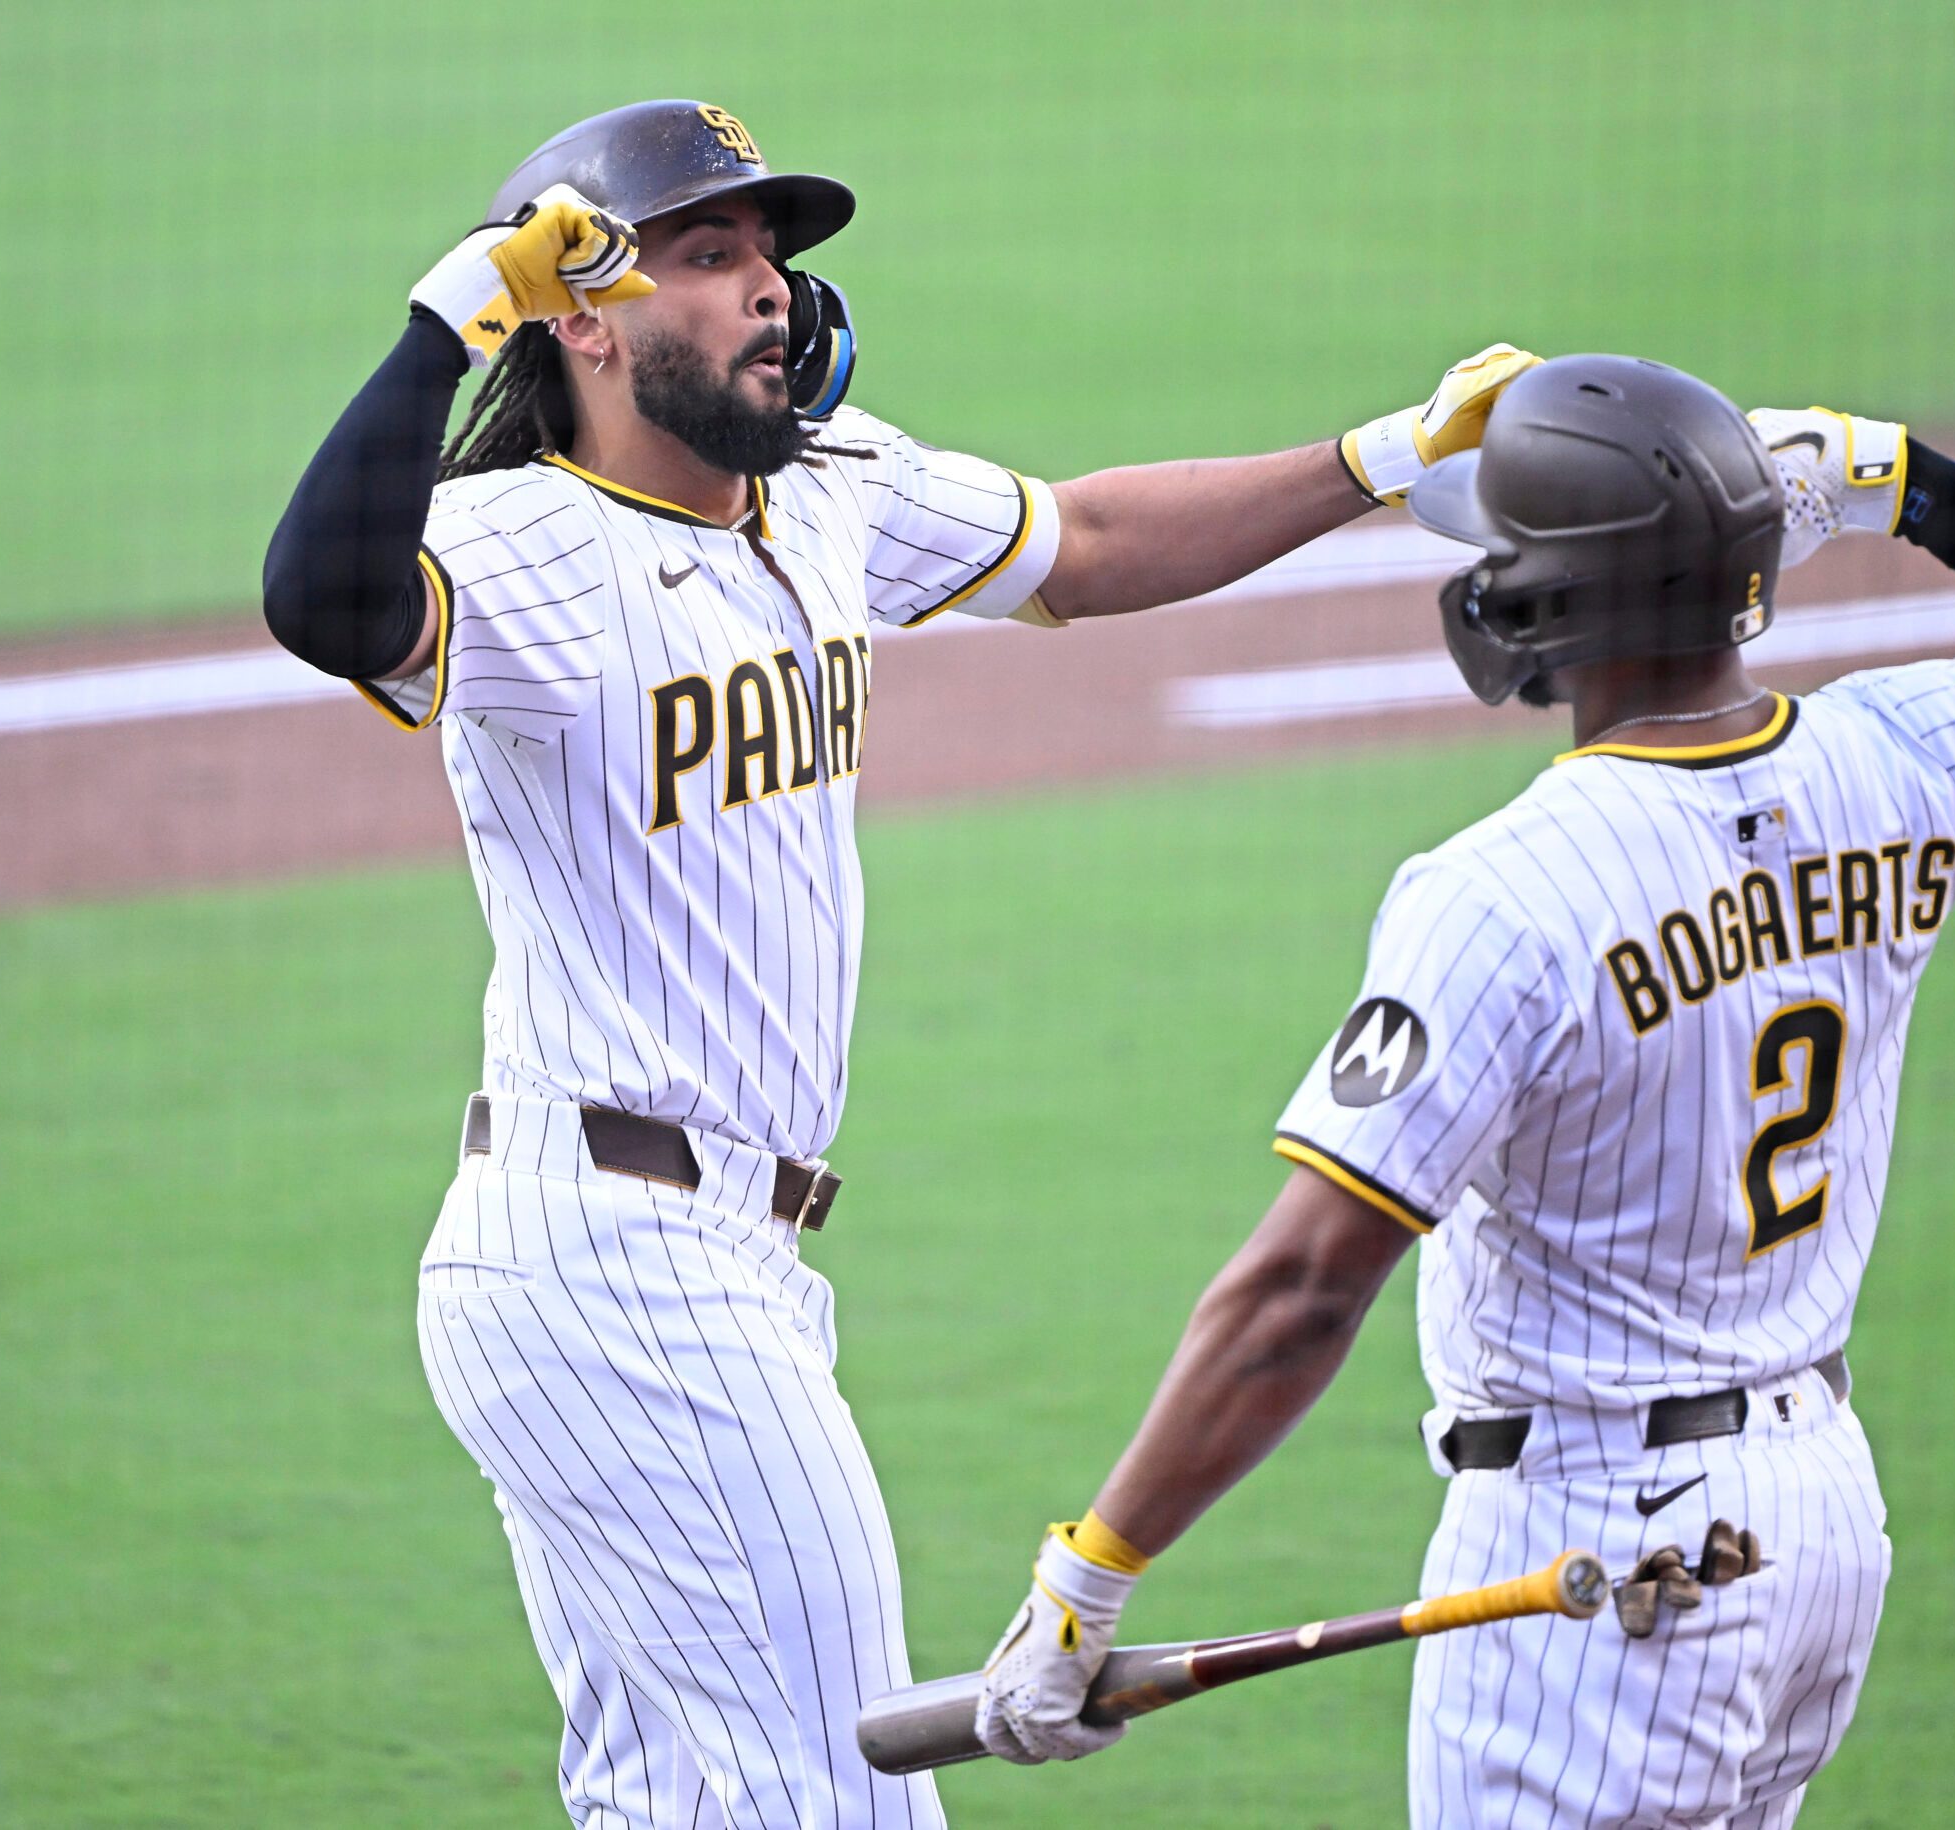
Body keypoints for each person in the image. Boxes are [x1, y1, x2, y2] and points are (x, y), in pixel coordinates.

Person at [257, 97, 1537, 1830]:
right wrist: (453, 305)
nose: (770, 290)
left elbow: (1083, 548)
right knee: (842, 1795)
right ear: (585, 312)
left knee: (683, 1801)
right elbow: (321, 600)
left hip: (714, 1259)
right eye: (710, 256)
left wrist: (1378, 462)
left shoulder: (833, 493)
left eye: (774, 254)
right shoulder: (518, 546)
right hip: (620, 1263)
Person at [972, 355, 1955, 1827]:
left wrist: (1090, 1574)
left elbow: (1305, 1286)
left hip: (1599, 1558)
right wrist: (1898, 476)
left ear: (1548, 599)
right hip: (1818, 1516)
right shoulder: (1902, 759)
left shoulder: (1506, 895)